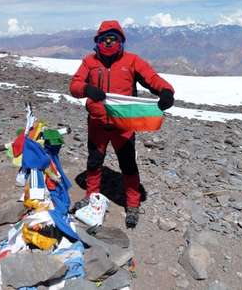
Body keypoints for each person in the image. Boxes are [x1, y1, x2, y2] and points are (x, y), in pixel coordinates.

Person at [69, 20, 175, 228]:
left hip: (123, 126)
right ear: (97, 41)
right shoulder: (89, 62)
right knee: (94, 162)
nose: (108, 43)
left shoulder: (132, 61)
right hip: (97, 124)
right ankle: (92, 197)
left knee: (128, 165)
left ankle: (133, 204)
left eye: (113, 39)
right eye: (103, 39)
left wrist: (166, 91)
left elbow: (152, 79)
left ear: (121, 41)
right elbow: (74, 86)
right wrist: (86, 89)